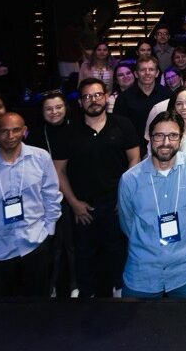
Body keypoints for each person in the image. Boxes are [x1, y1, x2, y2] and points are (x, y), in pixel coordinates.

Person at [0, 113, 62, 296]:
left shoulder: (41, 157)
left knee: (38, 308)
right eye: (4, 131)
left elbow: (51, 195)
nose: (10, 136)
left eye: (16, 130)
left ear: (24, 131)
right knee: (2, 313)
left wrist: (49, 231)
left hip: (35, 243)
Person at [57, 78, 140, 298]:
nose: (93, 100)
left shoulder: (123, 124)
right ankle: (88, 299)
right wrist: (74, 203)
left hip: (116, 205)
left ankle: (120, 291)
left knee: (119, 252)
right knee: (86, 256)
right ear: (80, 102)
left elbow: (134, 161)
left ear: (106, 97)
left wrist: (124, 199)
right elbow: (59, 171)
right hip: (84, 209)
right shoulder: (69, 131)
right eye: (87, 96)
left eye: (97, 95)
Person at [118, 110, 186, 299]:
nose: (165, 142)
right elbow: (127, 223)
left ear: (181, 138)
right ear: (149, 138)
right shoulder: (130, 179)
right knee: (138, 328)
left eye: (172, 136)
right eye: (159, 136)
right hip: (143, 271)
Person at [26, 91, 76, 298]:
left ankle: (75, 284)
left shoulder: (76, 128)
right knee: (53, 245)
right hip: (45, 197)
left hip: (75, 192)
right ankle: (52, 287)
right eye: (49, 108)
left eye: (58, 107)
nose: (54, 112)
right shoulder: (36, 136)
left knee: (73, 245)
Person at [113, 55, 171, 155]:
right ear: (136, 74)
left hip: (164, 148)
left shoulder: (168, 95)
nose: (147, 73)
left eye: (151, 69)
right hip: (134, 150)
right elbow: (119, 128)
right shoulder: (124, 98)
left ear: (157, 73)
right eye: (143, 70)